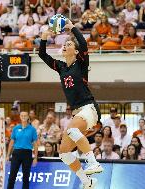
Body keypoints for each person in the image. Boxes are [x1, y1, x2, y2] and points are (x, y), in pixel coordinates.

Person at [39, 19, 103, 188]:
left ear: (75, 51)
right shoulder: (61, 67)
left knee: (72, 130)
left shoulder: (81, 63)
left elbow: (83, 43)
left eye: (69, 44)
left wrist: (72, 27)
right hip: (77, 111)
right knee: (64, 153)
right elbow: (42, 55)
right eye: (65, 44)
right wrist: (44, 38)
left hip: (89, 108)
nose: (65, 46)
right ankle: (87, 182)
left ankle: (93, 163)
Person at [6, 111, 38, 189]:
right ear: (20, 117)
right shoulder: (16, 128)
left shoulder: (32, 129)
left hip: (27, 153)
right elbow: (11, 142)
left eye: (25, 115)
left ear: (28, 117)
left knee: (26, 177)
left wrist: (35, 157)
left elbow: (35, 144)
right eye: (22, 115)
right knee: (12, 175)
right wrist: (7, 155)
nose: (23, 117)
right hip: (16, 153)